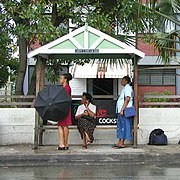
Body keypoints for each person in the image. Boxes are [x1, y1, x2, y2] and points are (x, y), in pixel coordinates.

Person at [113, 76, 134, 148]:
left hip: (125, 110)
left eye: (122, 80)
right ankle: (119, 141)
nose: (121, 81)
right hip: (121, 110)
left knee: (124, 126)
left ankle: (122, 142)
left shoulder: (128, 88)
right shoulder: (125, 88)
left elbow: (127, 98)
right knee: (121, 125)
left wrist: (122, 109)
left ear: (125, 81)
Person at [58, 73, 72, 150]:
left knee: (61, 125)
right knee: (64, 125)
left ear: (65, 79)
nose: (60, 80)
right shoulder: (67, 88)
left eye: (61, 78)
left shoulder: (66, 88)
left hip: (63, 108)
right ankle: (65, 143)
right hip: (65, 108)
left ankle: (62, 143)